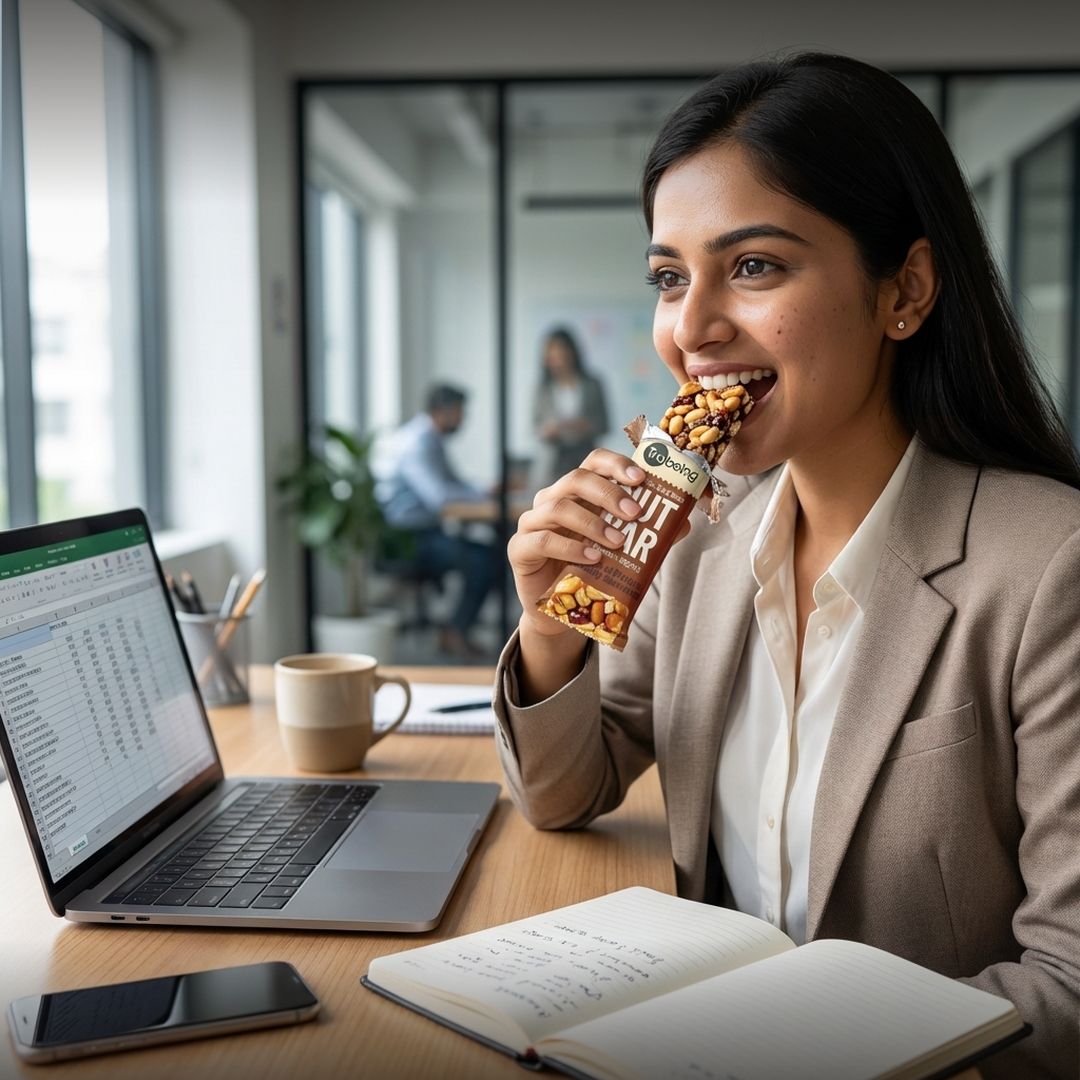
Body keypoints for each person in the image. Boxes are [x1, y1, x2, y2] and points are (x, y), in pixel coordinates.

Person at [494, 54, 1080, 1078]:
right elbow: (566, 792)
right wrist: (552, 629)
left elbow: (1068, 987)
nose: (691, 329)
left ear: (905, 290)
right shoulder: (698, 535)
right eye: (669, 277)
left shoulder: (1050, 567)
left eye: (755, 266)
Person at [377, 383, 496, 657]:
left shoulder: (430, 439)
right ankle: (455, 632)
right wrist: (481, 495)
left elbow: (453, 484)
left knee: (486, 553)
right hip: (407, 540)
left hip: (424, 532)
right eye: (460, 413)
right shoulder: (418, 443)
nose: (463, 420)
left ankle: (457, 629)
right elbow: (440, 496)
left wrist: (484, 490)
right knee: (484, 559)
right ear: (444, 411)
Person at [534, 327, 610, 483]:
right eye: (553, 356)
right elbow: (535, 427)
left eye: (562, 354)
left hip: (586, 458)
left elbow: (605, 424)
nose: (559, 360)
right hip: (553, 464)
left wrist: (586, 426)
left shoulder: (592, 384)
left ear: (573, 353)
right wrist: (549, 430)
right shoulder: (543, 388)